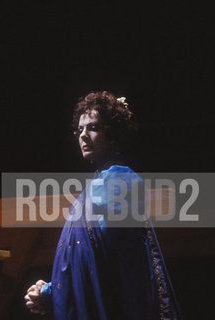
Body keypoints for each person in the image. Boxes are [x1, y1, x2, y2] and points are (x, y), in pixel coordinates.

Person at [24, 91, 180, 319]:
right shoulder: (100, 186)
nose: (83, 136)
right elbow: (90, 262)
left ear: (114, 135)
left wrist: (49, 292)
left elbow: (106, 268)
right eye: (80, 130)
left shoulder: (118, 183)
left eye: (93, 128)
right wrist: (49, 292)